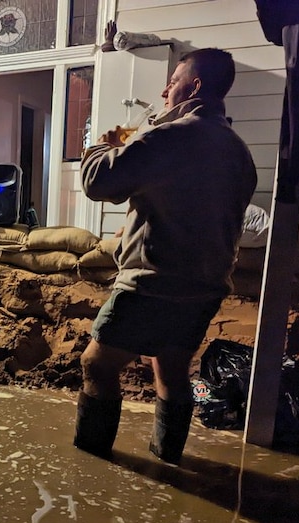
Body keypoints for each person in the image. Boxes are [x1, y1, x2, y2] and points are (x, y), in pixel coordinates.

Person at [74, 48, 257, 464]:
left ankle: (91, 468)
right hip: (205, 287)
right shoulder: (237, 150)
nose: (164, 90)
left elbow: (100, 183)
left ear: (194, 86)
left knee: (97, 366)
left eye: (172, 81)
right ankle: (167, 460)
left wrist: (101, 148)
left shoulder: (173, 136)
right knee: (172, 371)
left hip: (154, 284)